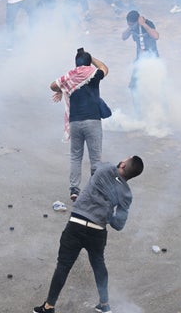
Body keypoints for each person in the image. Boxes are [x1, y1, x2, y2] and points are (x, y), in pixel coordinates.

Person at [32, 155, 144, 313]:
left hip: (76, 224)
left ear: (124, 164)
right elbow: (118, 225)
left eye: (126, 159)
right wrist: (107, 213)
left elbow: (99, 168)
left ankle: (49, 306)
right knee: (99, 265)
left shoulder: (104, 168)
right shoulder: (126, 194)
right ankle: (105, 305)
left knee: (63, 266)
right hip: (97, 231)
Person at [50, 48, 109, 202]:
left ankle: (74, 190)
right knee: (95, 159)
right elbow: (104, 68)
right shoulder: (93, 74)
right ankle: (95, 191)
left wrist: (61, 89)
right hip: (92, 121)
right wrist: (92, 58)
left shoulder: (70, 77)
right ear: (88, 63)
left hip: (75, 122)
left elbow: (52, 85)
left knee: (76, 157)